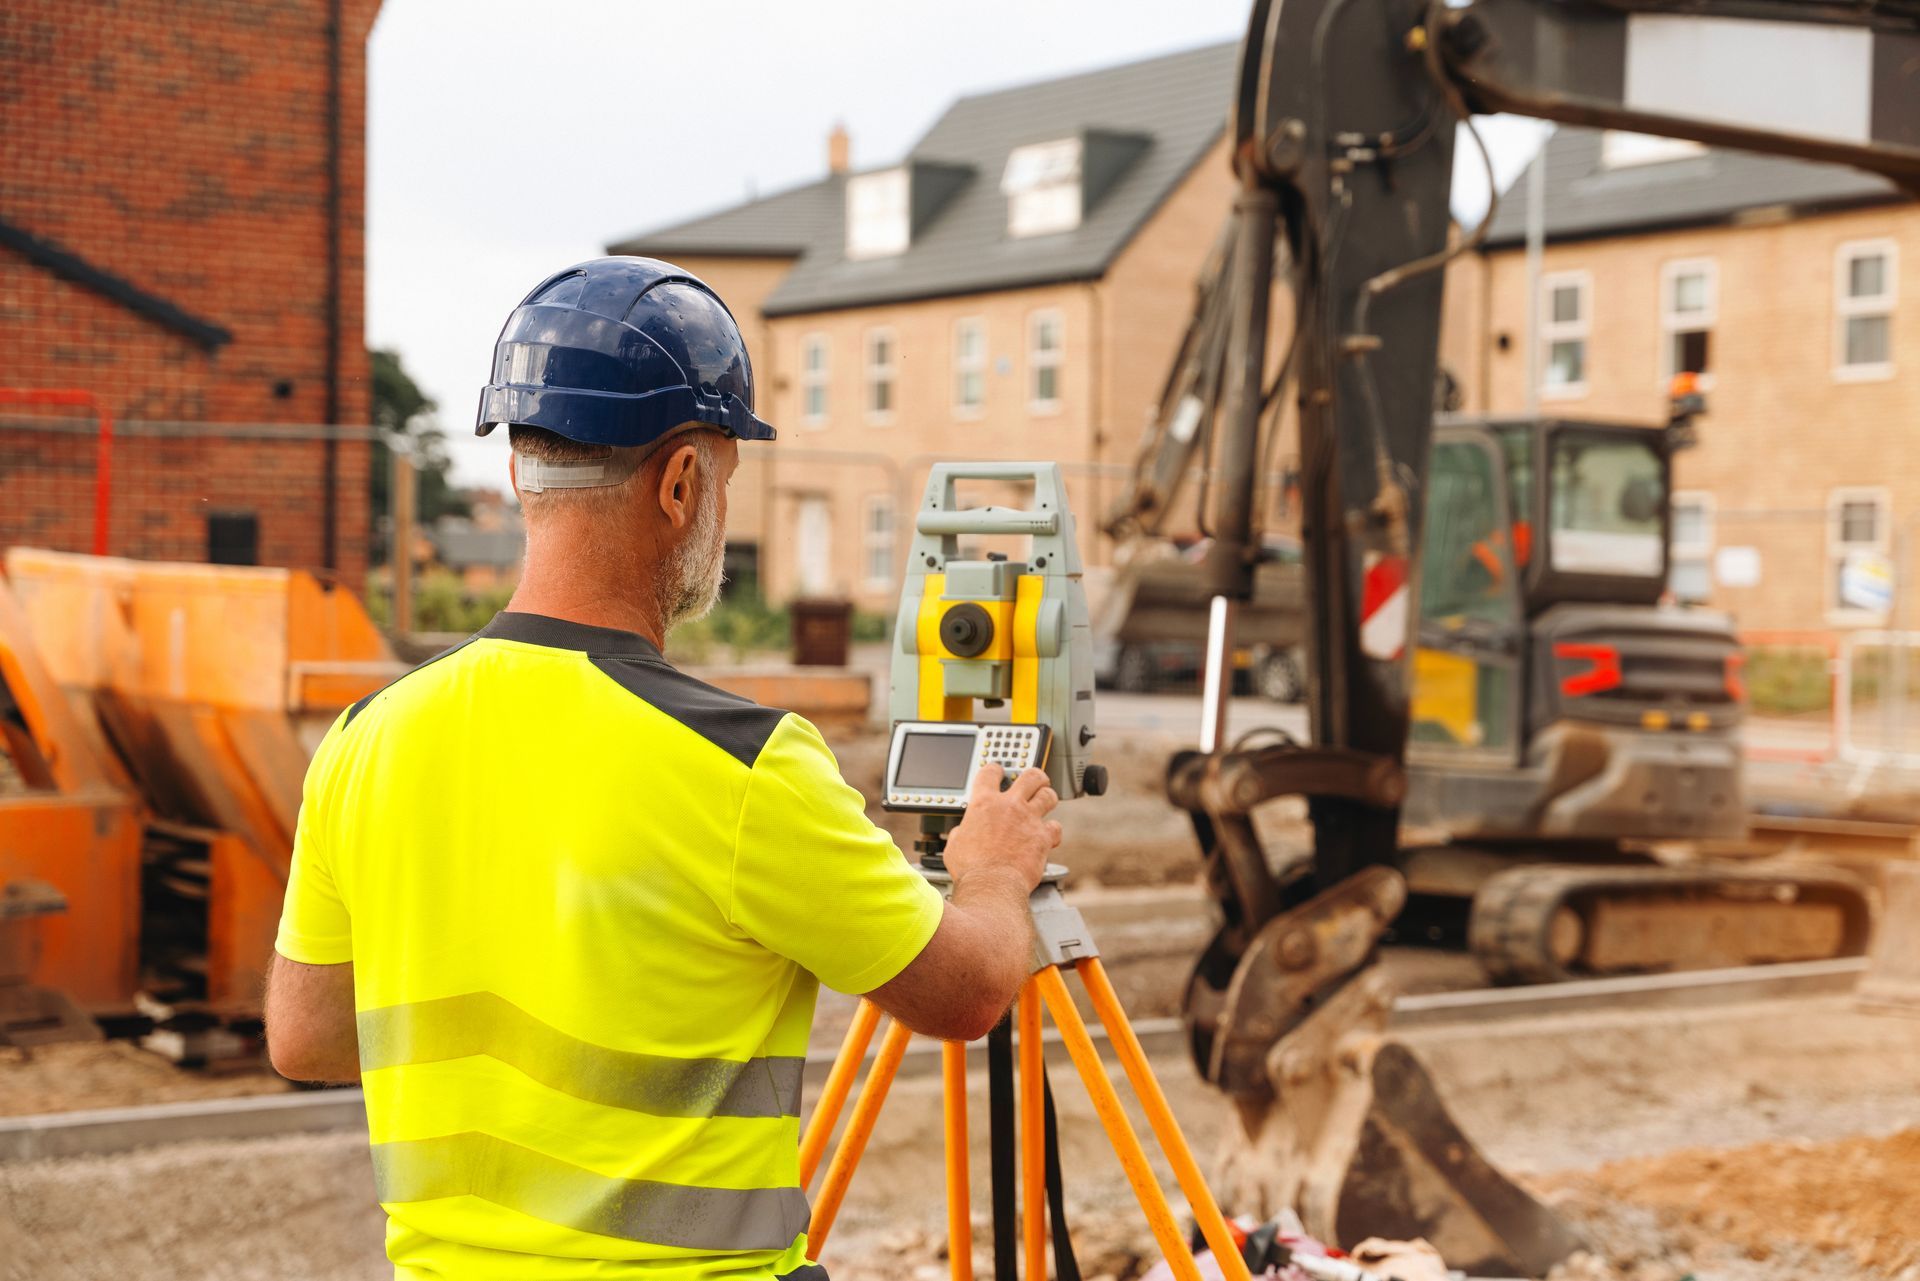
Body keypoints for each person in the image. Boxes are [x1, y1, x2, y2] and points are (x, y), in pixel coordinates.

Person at [266, 257, 1061, 1281]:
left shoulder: (367, 735)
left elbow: (308, 1038)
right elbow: (964, 997)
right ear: (682, 483)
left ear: (519, 470)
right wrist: (994, 873)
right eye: (725, 476)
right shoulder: (742, 765)